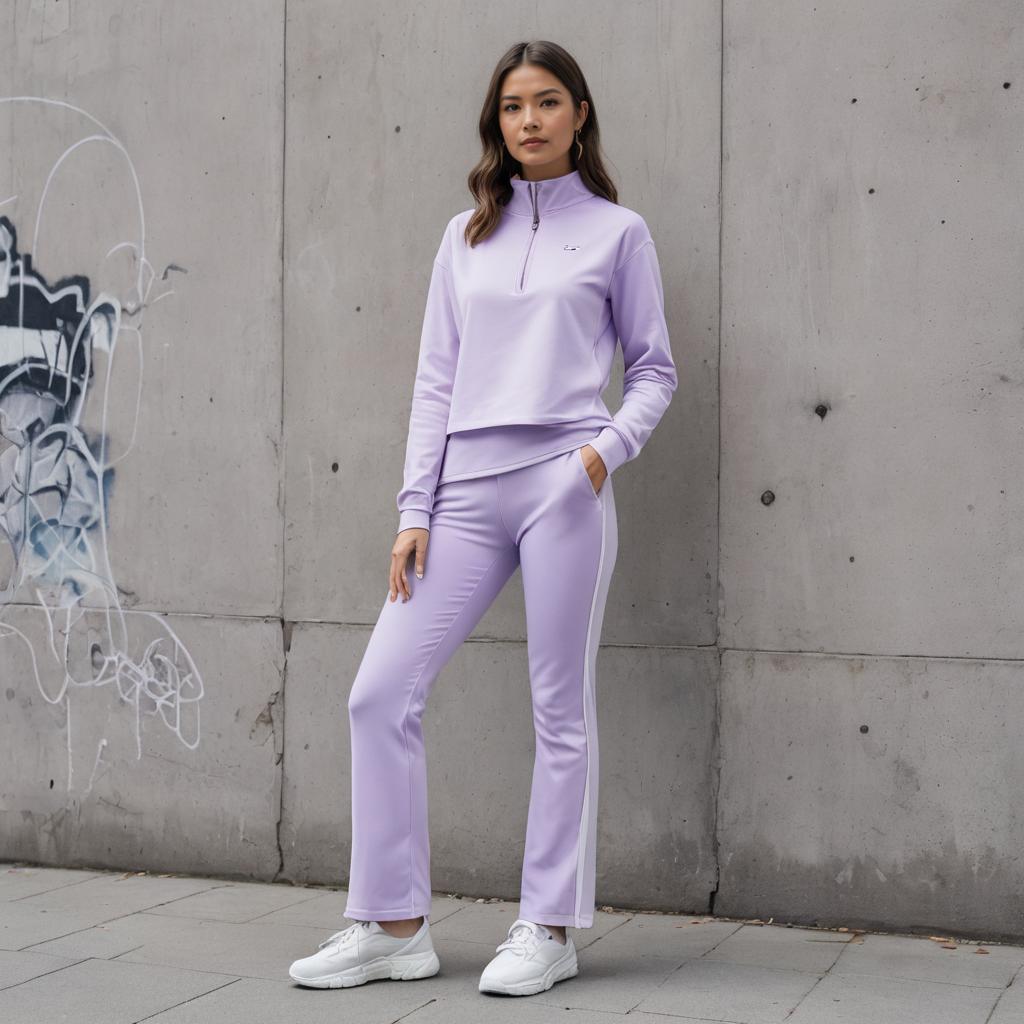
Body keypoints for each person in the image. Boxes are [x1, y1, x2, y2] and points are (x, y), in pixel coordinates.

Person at [289, 38, 678, 997]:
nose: (530, 120)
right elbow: (435, 382)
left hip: (562, 482)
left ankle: (546, 926)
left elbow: (655, 374)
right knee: (379, 693)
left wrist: (596, 457)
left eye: (548, 102)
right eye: (513, 106)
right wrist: (412, 507)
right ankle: (393, 925)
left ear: (578, 114)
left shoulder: (619, 233)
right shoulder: (464, 237)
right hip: (462, 492)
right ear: (495, 123)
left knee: (559, 710)